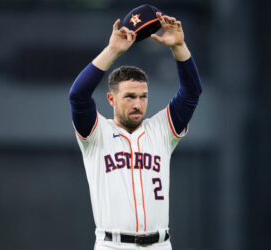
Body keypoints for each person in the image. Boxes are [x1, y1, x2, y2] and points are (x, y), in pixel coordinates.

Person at [69, 12, 202, 250]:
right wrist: (113, 50)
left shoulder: (162, 130)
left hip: (160, 244)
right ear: (111, 99)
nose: (137, 104)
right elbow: (78, 96)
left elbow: (191, 92)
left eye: (143, 97)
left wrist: (179, 46)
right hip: (113, 244)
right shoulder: (96, 133)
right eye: (129, 96)